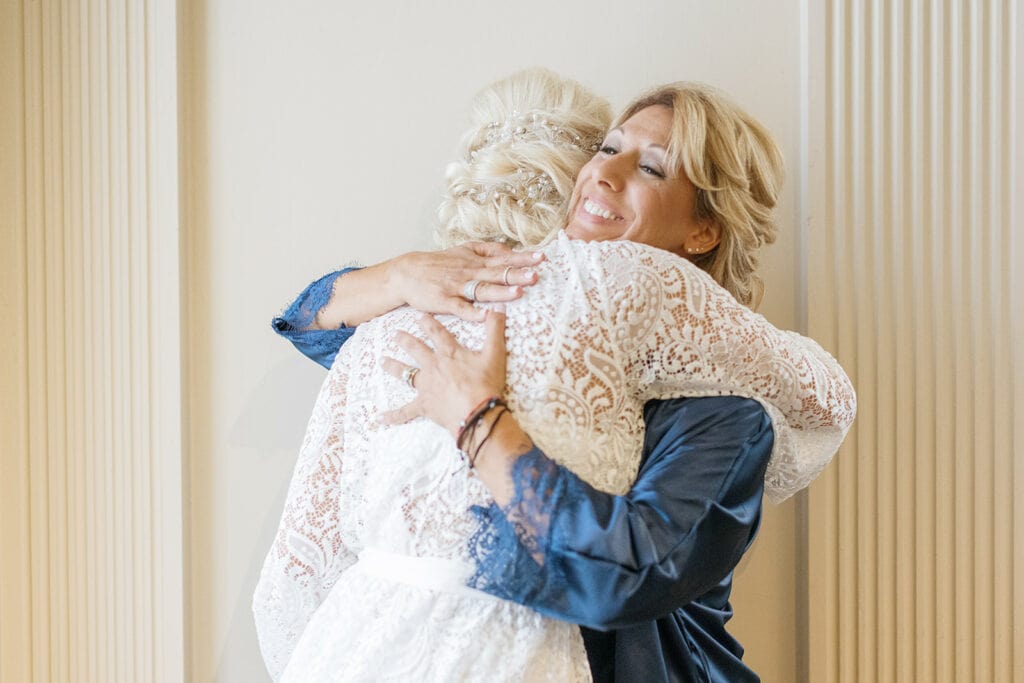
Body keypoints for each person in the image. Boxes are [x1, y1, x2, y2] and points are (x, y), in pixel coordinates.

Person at [255, 70, 855, 681]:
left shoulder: (727, 409)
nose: (605, 174)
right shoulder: (522, 321)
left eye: (652, 169)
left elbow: (623, 577)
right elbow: (320, 332)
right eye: (608, 148)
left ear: (704, 230)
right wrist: (398, 277)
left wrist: (481, 423)